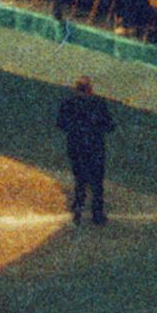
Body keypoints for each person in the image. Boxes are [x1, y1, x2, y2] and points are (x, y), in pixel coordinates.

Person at [56, 76, 114, 225]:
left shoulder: (69, 104)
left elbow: (61, 124)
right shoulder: (99, 104)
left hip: (76, 146)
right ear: (90, 89)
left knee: (80, 179)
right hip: (95, 147)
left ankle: (78, 210)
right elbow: (109, 126)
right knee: (97, 181)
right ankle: (97, 214)